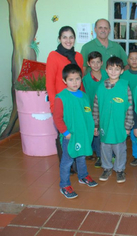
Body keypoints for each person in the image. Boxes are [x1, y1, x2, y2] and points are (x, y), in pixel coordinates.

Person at [53, 64, 98, 199]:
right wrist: (66, 133)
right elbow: (57, 118)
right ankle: (64, 184)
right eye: (71, 79)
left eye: (77, 79)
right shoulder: (61, 97)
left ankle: (83, 176)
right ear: (64, 80)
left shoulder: (84, 96)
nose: (75, 82)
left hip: (82, 134)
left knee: (81, 156)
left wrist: (93, 128)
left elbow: (87, 114)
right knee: (67, 160)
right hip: (70, 136)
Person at [46, 25, 84, 167]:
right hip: (61, 103)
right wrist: (52, 105)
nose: (68, 40)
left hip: (77, 102)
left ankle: (76, 162)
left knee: (76, 132)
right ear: (59, 39)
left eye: (71, 37)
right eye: (65, 37)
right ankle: (67, 164)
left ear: (74, 39)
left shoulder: (78, 56)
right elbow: (49, 83)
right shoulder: (53, 56)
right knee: (63, 134)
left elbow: (80, 80)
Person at [93, 57, 134, 183]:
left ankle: (120, 170)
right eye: (111, 69)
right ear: (106, 70)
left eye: (117, 69)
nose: (113, 72)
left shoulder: (125, 87)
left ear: (122, 71)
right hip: (105, 126)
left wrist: (128, 126)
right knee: (105, 148)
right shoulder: (100, 88)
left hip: (119, 126)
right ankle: (107, 168)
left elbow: (130, 108)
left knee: (119, 149)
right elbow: (95, 107)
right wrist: (96, 125)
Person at [82, 51, 108, 168]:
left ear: (102, 63)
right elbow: (85, 96)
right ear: (88, 63)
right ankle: (99, 155)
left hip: (107, 109)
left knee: (107, 131)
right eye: (93, 62)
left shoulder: (107, 75)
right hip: (94, 111)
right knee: (96, 133)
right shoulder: (86, 80)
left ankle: (109, 154)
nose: (96, 65)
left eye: (98, 62)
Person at [121, 49, 137, 167]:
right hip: (129, 108)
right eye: (131, 58)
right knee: (134, 133)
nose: (134, 61)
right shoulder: (124, 75)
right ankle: (136, 156)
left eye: (136, 58)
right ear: (127, 60)